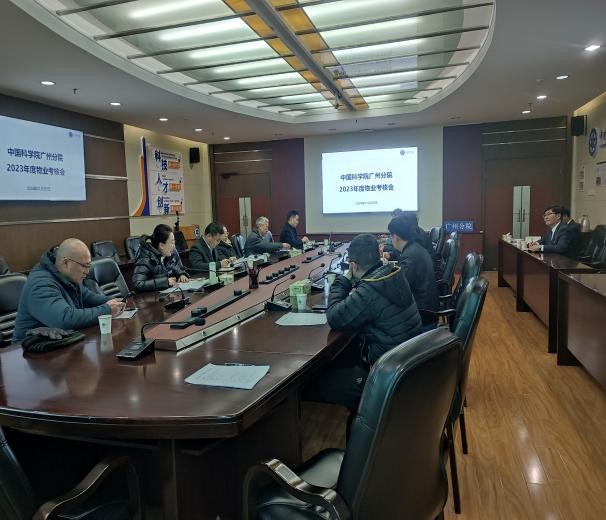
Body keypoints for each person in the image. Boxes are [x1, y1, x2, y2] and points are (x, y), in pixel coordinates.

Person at [304, 233, 422, 412]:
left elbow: (334, 317)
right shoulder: (393, 273)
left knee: (311, 383)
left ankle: (362, 415)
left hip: (384, 373)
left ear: (353, 265)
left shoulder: (370, 289)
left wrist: (343, 280)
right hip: (406, 362)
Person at [12, 238, 125, 341]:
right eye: (84, 266)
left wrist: (115, 302)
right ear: (66, 263)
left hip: (59, 343)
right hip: (27, 351)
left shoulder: (68, 276)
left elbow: (89, 298)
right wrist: (107, 310)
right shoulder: (40, 284)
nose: (87, 271)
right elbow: (64, 320)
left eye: (88, 266)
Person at [388, 215, 439, 330]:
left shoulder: (410, 256)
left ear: (396, 237)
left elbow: (398, 290)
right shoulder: (414, 248)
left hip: (422, 314)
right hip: (426, 307)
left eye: (391, 236)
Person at [132, 224, 189, 292]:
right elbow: (138, 284)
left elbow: (177, 268)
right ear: (161, 245)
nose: (174, 246)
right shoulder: (145, 259)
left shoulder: (169, 254)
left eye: (174, 242)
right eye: (171, 243)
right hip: (150, 297)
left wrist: (181, 274)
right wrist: (165, 282)